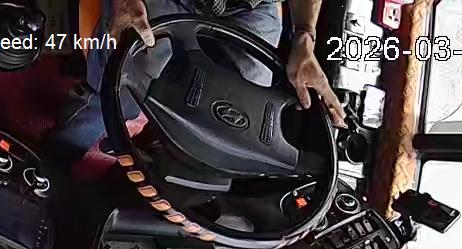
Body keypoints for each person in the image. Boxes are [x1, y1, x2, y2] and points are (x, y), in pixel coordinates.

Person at [51, 0, 346, 163]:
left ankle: (165, 157)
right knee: (123, 83)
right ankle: (59, 155)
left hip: (250, 7)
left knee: (245, 118)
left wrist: (304, 35)